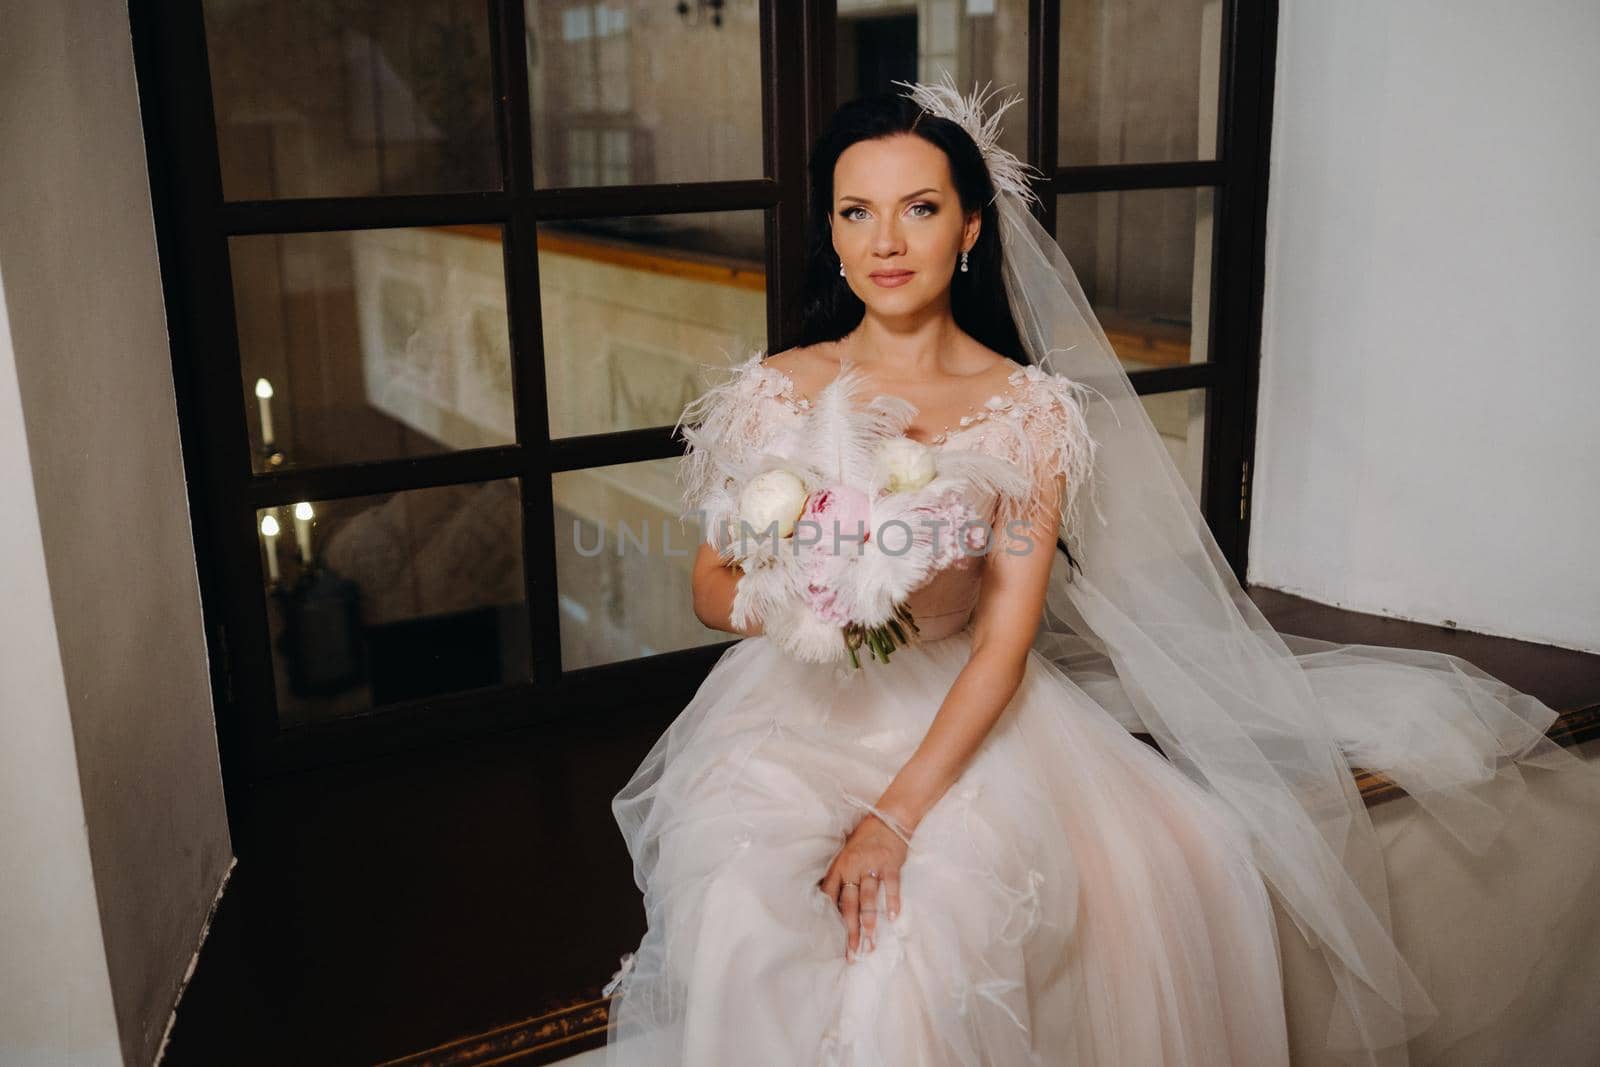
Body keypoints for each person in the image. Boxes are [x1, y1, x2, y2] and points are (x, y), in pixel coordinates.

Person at [600, 77, 1587, 1066]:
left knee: (933, 936)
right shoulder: (781, 387)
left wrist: (892, 817)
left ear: (972, 229)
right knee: (741, 905)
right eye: (857, 212)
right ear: (832, 230)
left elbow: (1004, 634)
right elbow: (708, 583)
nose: (886, 242)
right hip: (791, 707)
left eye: (920, 208)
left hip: (959, 707)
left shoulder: (1026, 411)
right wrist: (815, 599)